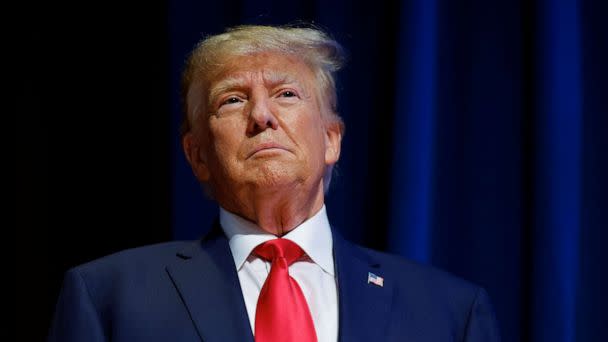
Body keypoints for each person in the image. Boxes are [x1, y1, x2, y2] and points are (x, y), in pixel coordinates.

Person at [48, 24, 501, 342]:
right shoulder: (109, 297)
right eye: (231, 99)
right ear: (198, 155)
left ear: (330, 139)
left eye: (286, 94)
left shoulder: (449, 311)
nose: (261, 116)